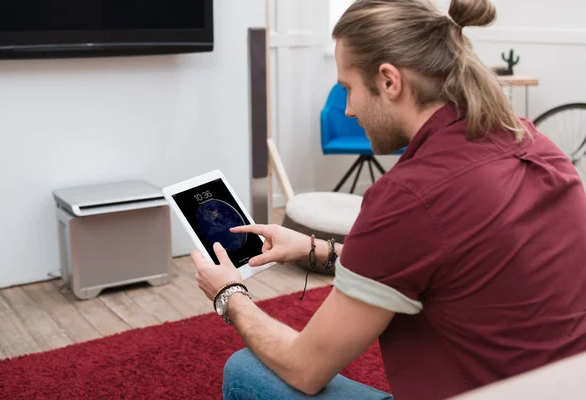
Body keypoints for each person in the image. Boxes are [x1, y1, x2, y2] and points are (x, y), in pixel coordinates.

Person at [191, 0, 586, 398]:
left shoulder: (412, 195)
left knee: (244, 371)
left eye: (348, 88)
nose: (346, 109)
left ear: (389, 81)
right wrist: (315, 250)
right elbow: (441, 259)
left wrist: (230, 294)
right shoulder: (533, 143)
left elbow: (303, 367)